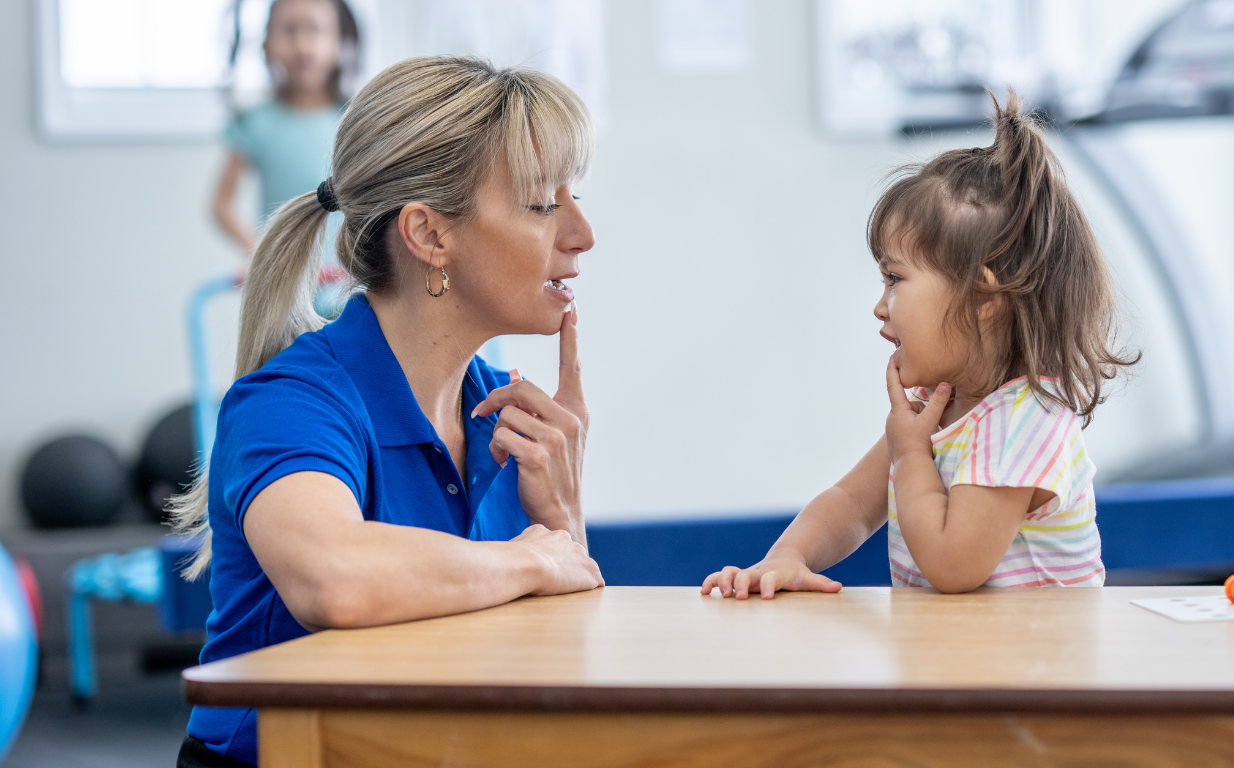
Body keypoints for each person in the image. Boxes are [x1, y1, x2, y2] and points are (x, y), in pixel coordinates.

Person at [172, 56, 603, 768]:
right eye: (541, 203)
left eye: (574, 197)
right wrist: (531, 556)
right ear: (429, 235)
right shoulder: (292, 402)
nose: (582, 233)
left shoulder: (508, 414)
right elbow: (334, 578)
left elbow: (553, 654)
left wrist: (565, 524)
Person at [702, 91, 1139, 599]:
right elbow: (848, 502)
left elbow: (953, 566)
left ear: (982, 297)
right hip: (960, 665)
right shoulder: (939, 409)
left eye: (894, 279)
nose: (880, 306)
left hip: (1036, 673)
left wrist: (911, 456)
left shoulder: (1024, 419)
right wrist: (787, 556)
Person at [212, 0, 359, 255]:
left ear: (340, 40)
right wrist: (260, 255)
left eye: (315, 29)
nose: (303, 45)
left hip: (343, 284)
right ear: (267, 44)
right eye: (289, 30)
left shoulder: (354, 119)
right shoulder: (254, 122)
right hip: (280, 286)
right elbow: (221, 204)